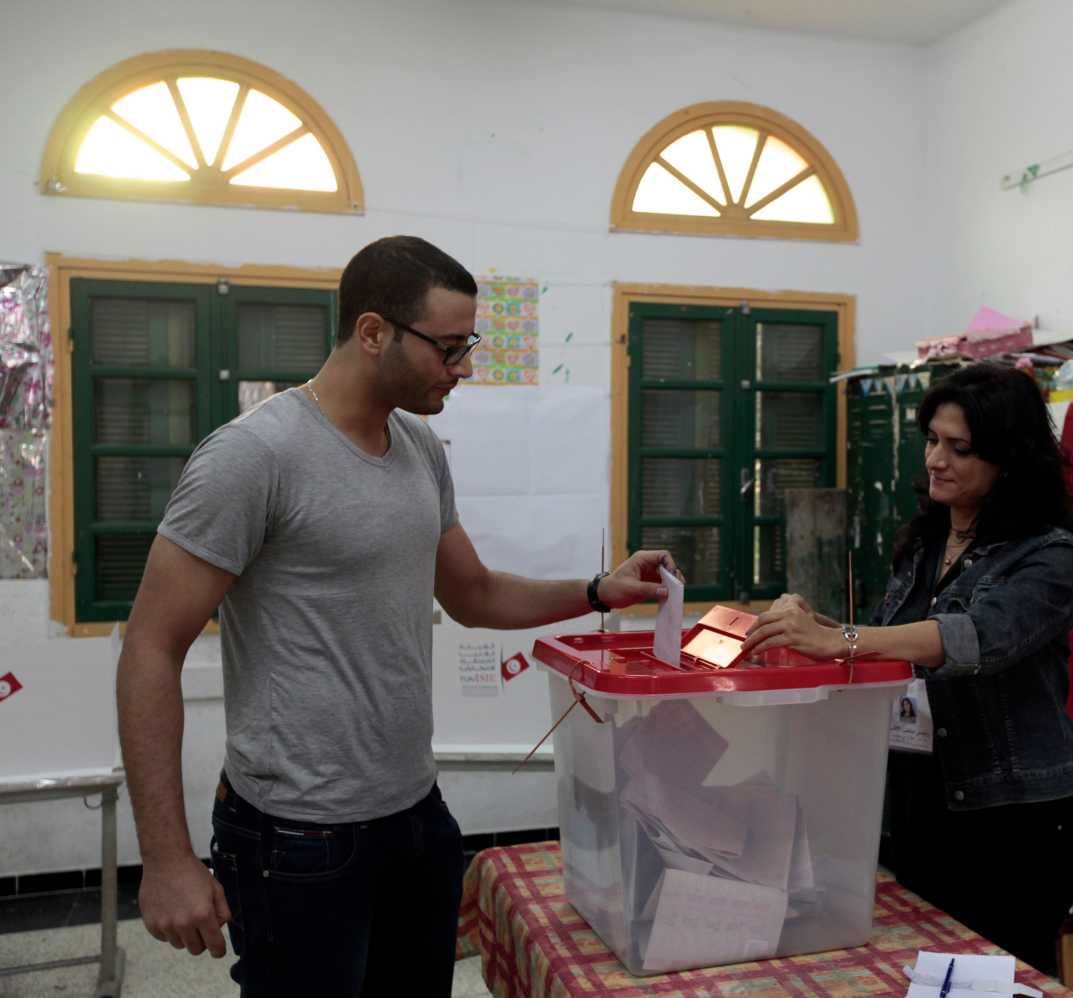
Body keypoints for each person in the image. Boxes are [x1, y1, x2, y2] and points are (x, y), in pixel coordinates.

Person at [116, 235, 680, 997]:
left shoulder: (418, 445)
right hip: (295, 838)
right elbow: (150, 647)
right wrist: (165, 858)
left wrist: (594, 590)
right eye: (448, 348)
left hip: (414, 816)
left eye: (468, 345)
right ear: (373, 332)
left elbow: (473, 595)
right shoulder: (253, 457)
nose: (465, 367)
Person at [742, 363, 1073, 975]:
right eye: (932, 439)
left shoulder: (1048, 554)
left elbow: (972, 637)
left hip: (1014, 820)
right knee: (925, 971)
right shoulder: (927, 543)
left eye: (960, 448)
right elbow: (888, 644)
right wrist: (814, 624)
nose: (936, 460)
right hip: (923, 806)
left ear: (1008, 459)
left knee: (997, 977)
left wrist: (839, 641)